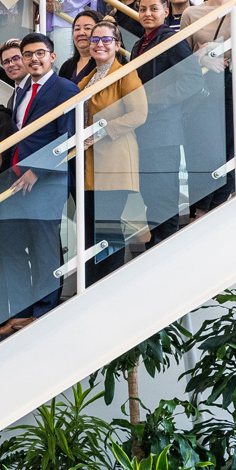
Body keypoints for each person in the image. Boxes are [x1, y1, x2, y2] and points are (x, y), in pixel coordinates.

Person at [0, 33, 80, 327]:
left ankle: (44, 309)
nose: (34, 59)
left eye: (40, 53)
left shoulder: (65, 89)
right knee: (10, 245)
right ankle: (20, 310)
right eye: (28, 54)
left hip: (45, 182)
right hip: (15, 183)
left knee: (45, 248)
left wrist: (38, 170)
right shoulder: (20, 91)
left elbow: (68, 136)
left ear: (52, 57)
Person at [181, 0, 236, 212]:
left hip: (234, 79)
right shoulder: (192, 13)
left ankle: (224, 204)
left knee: (230, 144)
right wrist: (202, 56)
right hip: (202, 86)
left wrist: (213, 49)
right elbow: (184, 55)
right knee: (201, 147)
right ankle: (200, 209)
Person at [79, 18, 148, 282]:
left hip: (115, 159)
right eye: (94, 39)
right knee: (90, 227)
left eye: (106, 39)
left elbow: (139, 113)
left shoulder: (125, 73)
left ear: (117, 44)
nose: (99, 44)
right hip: (89, 165)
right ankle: (92, 283)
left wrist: (100, 130)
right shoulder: (88, 77)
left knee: (107, 225)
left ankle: (110, 282)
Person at [131, 0, 198, 245]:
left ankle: (164, 250)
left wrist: (153, 99)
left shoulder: (171, 39)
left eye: (153, 9)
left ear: (166, 11)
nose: (147, 13)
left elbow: (193, 79)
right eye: (143, 9)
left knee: (163, 197)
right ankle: (155, 246)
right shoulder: (140, 44)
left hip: (164, 131)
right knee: (150, 196)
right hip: (144, 130)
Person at [59, 9, 100, 84]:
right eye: (77, 29)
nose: (81, 33)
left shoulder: (104, 64)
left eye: (87, 28)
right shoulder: (66, 66)